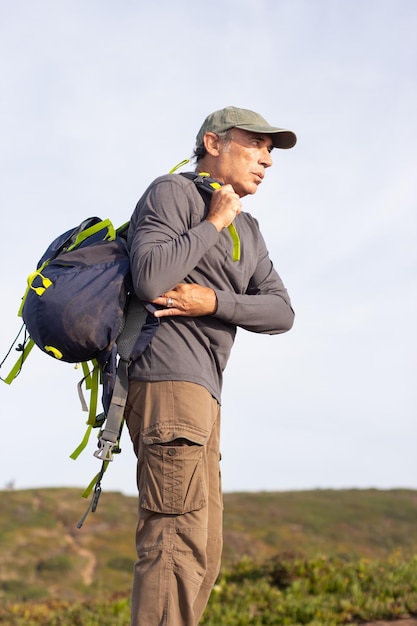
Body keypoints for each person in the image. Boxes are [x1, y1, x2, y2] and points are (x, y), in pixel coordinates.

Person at [125, 105, 296, 626]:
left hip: (205, 394)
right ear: (213, 143)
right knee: (174, 543)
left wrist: (214, 302)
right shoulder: (172, 193)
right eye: (255, 144)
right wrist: (215, 221)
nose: (266, 159)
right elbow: (151, 277)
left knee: (205, 552)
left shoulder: (253, 230)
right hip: (166, 378)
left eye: (271, 151)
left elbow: (281, 311)